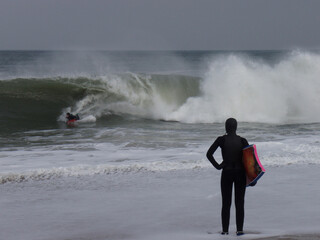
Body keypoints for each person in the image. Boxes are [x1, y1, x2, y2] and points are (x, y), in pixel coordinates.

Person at [206, 118, 249, 236]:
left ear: (226, 127)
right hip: (240, 174)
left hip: (227, 173)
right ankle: (239, 230)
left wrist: (218, 166)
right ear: (236, 127)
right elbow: (250, 161)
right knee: (240, 202)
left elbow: (209, 154)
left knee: (226, 203)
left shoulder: (221, 140)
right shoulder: (243, 141)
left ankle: (225, 231)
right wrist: (252, 177)